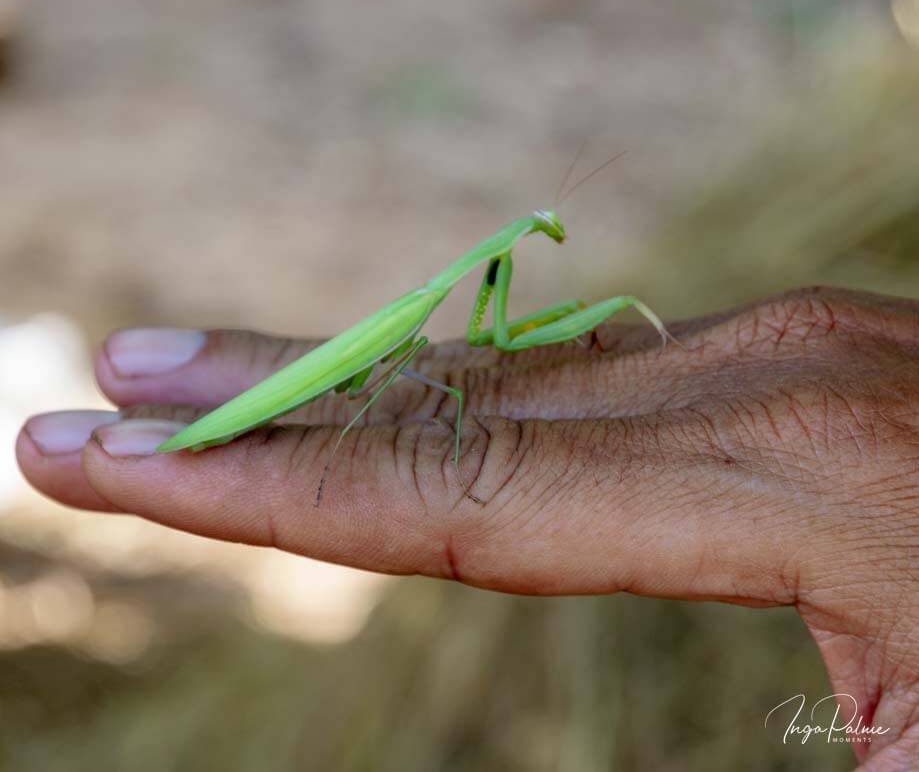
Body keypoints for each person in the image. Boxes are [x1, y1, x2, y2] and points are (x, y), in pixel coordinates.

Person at [15, 286, 919, 769]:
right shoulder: (437, 304)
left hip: (351, 371)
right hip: (295, 397)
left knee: (455, 380)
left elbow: (495, 337)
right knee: (441, 389)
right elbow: (466, 352)